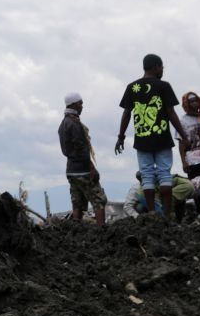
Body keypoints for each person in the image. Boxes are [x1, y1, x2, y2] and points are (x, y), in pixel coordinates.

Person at [116, 54, 185, 218]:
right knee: (164, 174)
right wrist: (183, 134)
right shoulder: (164, 86)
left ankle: (153, 212)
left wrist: (121, 136)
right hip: (162, 138)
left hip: (142, 140)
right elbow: (170, 113)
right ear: (156, 66)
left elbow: (126, 113)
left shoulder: (132, 87)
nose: (162, 70)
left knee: (146, 175)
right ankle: (167, 214)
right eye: (161, 67)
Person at [57, 92, 107, 225]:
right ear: (74, 104)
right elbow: (82, 149)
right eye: (80, 103)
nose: (82, 106)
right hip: (82, 170)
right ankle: (102, 229)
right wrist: (92, 168)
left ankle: (76, 230)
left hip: (71, 170)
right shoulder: (75, 124)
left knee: (77, 202)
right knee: (99, 200)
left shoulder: (63, 125)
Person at [123, 172, 196, 222]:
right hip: (146, 208)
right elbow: (127, 206)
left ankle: (176, 221)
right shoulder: (135, 189)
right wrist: (138, 217)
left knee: (179, 199)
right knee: (140, 207)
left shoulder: (159, 182)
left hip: (160, 204)